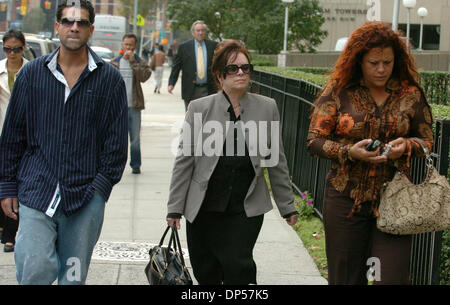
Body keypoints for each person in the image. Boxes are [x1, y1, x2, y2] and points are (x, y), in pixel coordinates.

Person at [0, 0, 128, 284]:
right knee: (34, 271)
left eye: (81, 22)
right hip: (36, 191)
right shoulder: (31, 75)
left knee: (72, 277)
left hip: (84, 198)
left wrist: (99, 191)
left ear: (90, 29)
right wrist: (8, 185)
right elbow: (12, 135)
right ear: (57, 26)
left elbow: (117, 145)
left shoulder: (109, 80)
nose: (74, 27)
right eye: (68, 21)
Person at [307, 21, 433, 285]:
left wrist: (406, 146)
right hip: (345, 200)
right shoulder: (340, 91)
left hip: (394, 201)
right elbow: (314, 141)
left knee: (388, 279)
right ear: (359, 61)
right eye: (374, 62)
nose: (381, 69)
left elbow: (426, 141)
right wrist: (349, 152)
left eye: (387, 62)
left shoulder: (410, 94)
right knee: (346, 278)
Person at [166, 39, 299, 285]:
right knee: (206, 270)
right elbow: (184, 161)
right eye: (233, 68)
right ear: (219, 75)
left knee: (238, 266)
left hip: (244, 207)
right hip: (204, 207)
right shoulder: (199, 108)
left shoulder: (266, 107)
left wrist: (287, 205)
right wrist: (174, 207)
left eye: (245, 68)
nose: (240, 73)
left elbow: (276, 159)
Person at [0, 28, 29, 253]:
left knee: (13, 184)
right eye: (7, 49)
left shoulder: (32, 70)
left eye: (16, 49)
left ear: (23, 48)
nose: (11, 53)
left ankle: (10, 234)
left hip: (21, 135)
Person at [111, 33, 152, 175]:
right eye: (125, 44)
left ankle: (135, 165)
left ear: (134, 47)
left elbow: (144, 77)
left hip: (134, 106)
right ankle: (116, 166)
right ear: (122, 45)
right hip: (117, 108)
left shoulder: (139, 61)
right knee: (117, 140)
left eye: (130, 45)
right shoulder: (114, 62)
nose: (128, 47)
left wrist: (133, 62)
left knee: (134, 139)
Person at [168, 20, 218, 111]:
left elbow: (219, 66)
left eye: (202, 30)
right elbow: (176, 66)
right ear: (193, 32)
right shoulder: (184, 47)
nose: (200, 33)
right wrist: (171, 83)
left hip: (208, 88)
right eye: (198, 30)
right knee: (192, 119)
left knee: (207, 118)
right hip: (191, 89)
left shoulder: (213, 46)